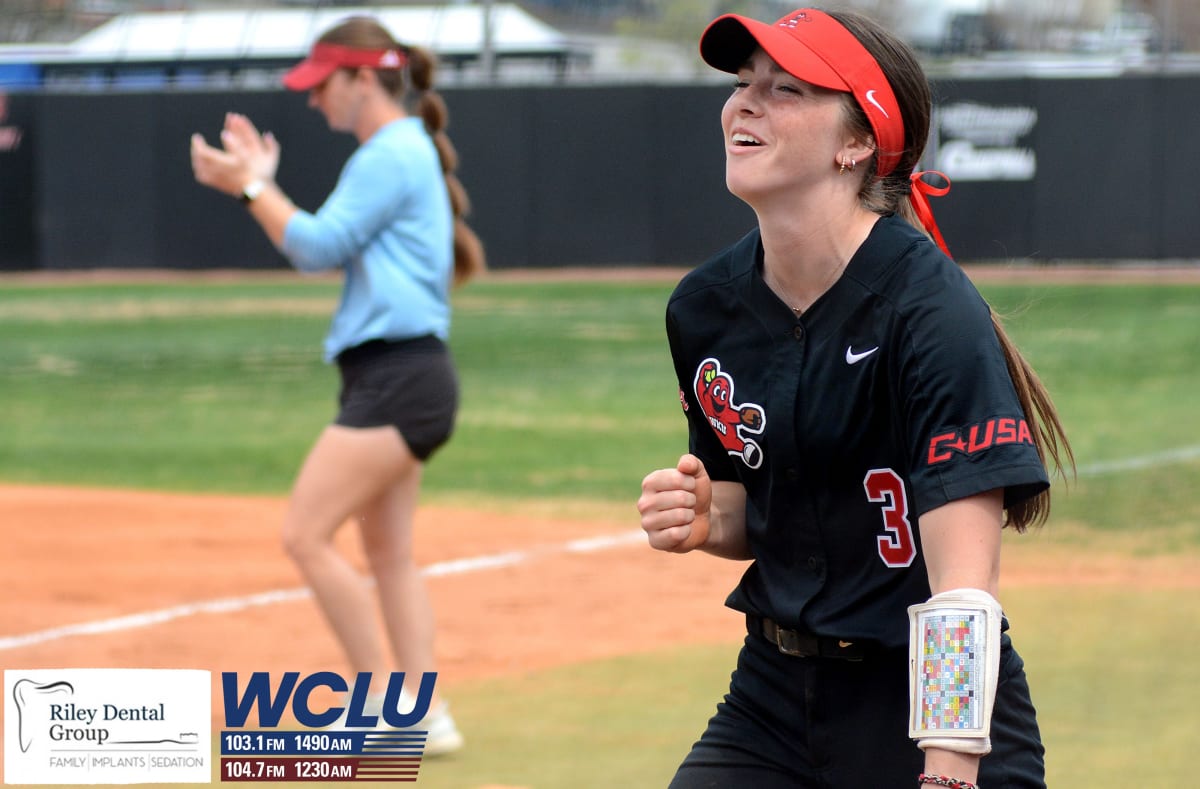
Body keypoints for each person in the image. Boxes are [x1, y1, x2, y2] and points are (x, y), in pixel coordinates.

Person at [636, 8, 1073, 788]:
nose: (745, 104)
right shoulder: (703, 308)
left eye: (787, 88)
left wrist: (946, 770)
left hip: (918, 701)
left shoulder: (930, 313)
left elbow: (964, 592)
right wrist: (713, 515)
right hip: (771, 698)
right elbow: (771, 513)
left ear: (857, 141)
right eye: (743, 85)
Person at [190, 15, 485, 755]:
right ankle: (427, 713)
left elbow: (317, 247)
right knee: (387, 553)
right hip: (400, 373)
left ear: (361, 78)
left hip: (400, 377)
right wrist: (257, 183)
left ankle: (387, 707)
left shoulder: (390, 152)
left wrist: (253, 184)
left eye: (323, 85)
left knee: (305, 534)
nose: (314, 101)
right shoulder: (401, 149)